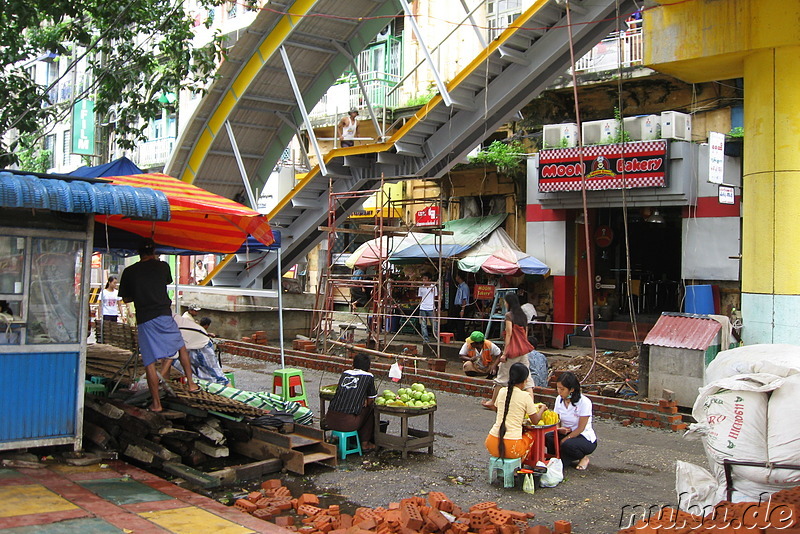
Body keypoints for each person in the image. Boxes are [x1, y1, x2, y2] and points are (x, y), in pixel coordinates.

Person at [118, 239, 200, 412]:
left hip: (145, 319)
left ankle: (156, 404)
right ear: (154, 251)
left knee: (149, 362)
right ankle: (191, 384)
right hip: (163, 314)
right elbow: (164, 282)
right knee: (181, 347)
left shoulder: (129, 271)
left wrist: (140, 295)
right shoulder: (163, 266)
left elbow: (126, 299)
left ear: (138, 253)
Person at [482, 292, 535, 410]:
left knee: (502, 376)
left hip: (513, 351)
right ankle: (531, 405)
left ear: (508, 303)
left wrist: (505, 353)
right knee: (528, 377)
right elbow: (525, 335)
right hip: (523, 351)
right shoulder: (523, 316)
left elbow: (509, 334)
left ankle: (493, 401)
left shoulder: (509, 316)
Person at [485, 362, 547, 459]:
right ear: (525, 381)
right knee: (533, 433)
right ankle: (528, 463)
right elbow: (535, 421)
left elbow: (497, 409)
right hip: (512, 447)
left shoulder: (501, 391)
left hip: (492, 443)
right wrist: (542, 409)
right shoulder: (525, 396)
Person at [323, 353, 377, 450]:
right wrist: (364, 402)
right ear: (369, 368)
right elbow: (371, 399)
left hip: (330, 420)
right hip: (347, 424)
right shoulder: (369, 376)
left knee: (358, 410)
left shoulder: (345, 373)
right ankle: (365, 443)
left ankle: (352, 439)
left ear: (353, 365)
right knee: (369, 410)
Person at [546, 371, 597, 470]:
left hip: (582, 436)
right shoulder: (559, 399)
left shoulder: (584, 402)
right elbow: (557, 419)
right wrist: (559, 429)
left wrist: (566, 438)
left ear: (572, 390)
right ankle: (556, 458)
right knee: (548, 437)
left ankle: (582, 458)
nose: (559, 392)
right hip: (565, 432)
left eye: (562, 389)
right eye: (558, 388)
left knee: (567, 444)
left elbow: (581, 428)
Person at [162, 315, 229, 386]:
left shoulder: (163, 324)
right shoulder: (160, 320)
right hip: (186, 346)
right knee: (199, 380)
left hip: (199, 346)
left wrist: (158, 380)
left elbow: (170, 357)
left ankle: (236, 396)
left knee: (218, 380)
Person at [418, 273, 438, 343]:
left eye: (425, 278)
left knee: (434, 324)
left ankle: (436, 338)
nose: (424, 280)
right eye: (423, 279)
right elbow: (420, 298)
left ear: (429, 279)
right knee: (423, 325)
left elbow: (436, 298)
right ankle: (425, 340)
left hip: (431, 308)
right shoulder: (421, 288)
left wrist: (436, 308)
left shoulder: (434, 287)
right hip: (423, 307)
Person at [452, 272, 470, 341]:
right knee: (457, 323)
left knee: (461, 324)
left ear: (459, 277)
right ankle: (459, 337)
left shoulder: (464, 287)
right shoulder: (459, 286)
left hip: (462, 306)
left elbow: (464, 299)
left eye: (456, 276)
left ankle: (461, 338)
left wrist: (462, 309)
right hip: (457, 306)